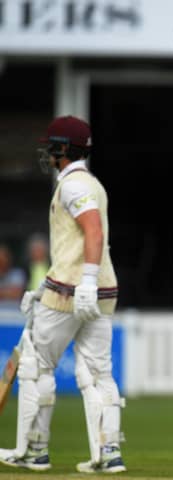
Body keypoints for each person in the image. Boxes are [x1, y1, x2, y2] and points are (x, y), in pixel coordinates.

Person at [0, 116, 126, 474]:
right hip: (100, 290)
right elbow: (79, 242)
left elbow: (93, 232)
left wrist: (82, 280)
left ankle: (34, 451)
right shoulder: (93, 184)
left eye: (50, 147)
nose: (47, 153)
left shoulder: (73, 186)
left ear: (62, 150)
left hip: (74, 291)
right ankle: (108, 454)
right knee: (98, 374)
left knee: (35, 365)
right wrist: (44, 287)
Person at [0, 244, 27, 311]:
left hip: (15, 314)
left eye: (3, 259)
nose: (2, 262)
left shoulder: (17, 274)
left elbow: (16, 294)